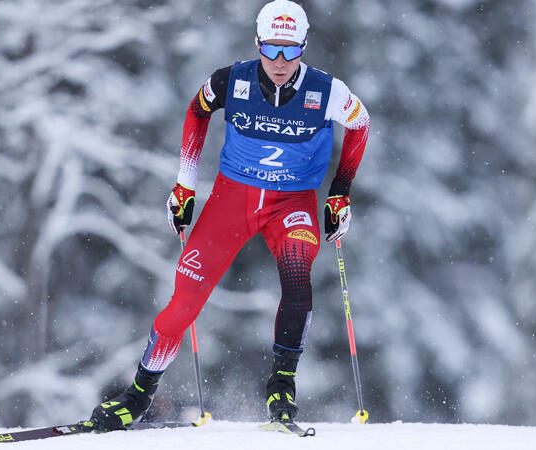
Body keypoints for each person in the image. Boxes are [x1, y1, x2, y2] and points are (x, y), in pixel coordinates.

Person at [87, 0, 370, 429]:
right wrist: (185, 184)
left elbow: (360, 123)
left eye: (290, 50)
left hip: (291, 204)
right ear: (257, 43)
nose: (280, 61)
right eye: (271, 49)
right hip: (231, 201)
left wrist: (340, 194)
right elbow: (196, 112)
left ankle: (281, 389)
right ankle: (139, 395)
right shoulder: (230, 81)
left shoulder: (327, 92)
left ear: (303, 47)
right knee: (183, 305)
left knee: (297, 280)